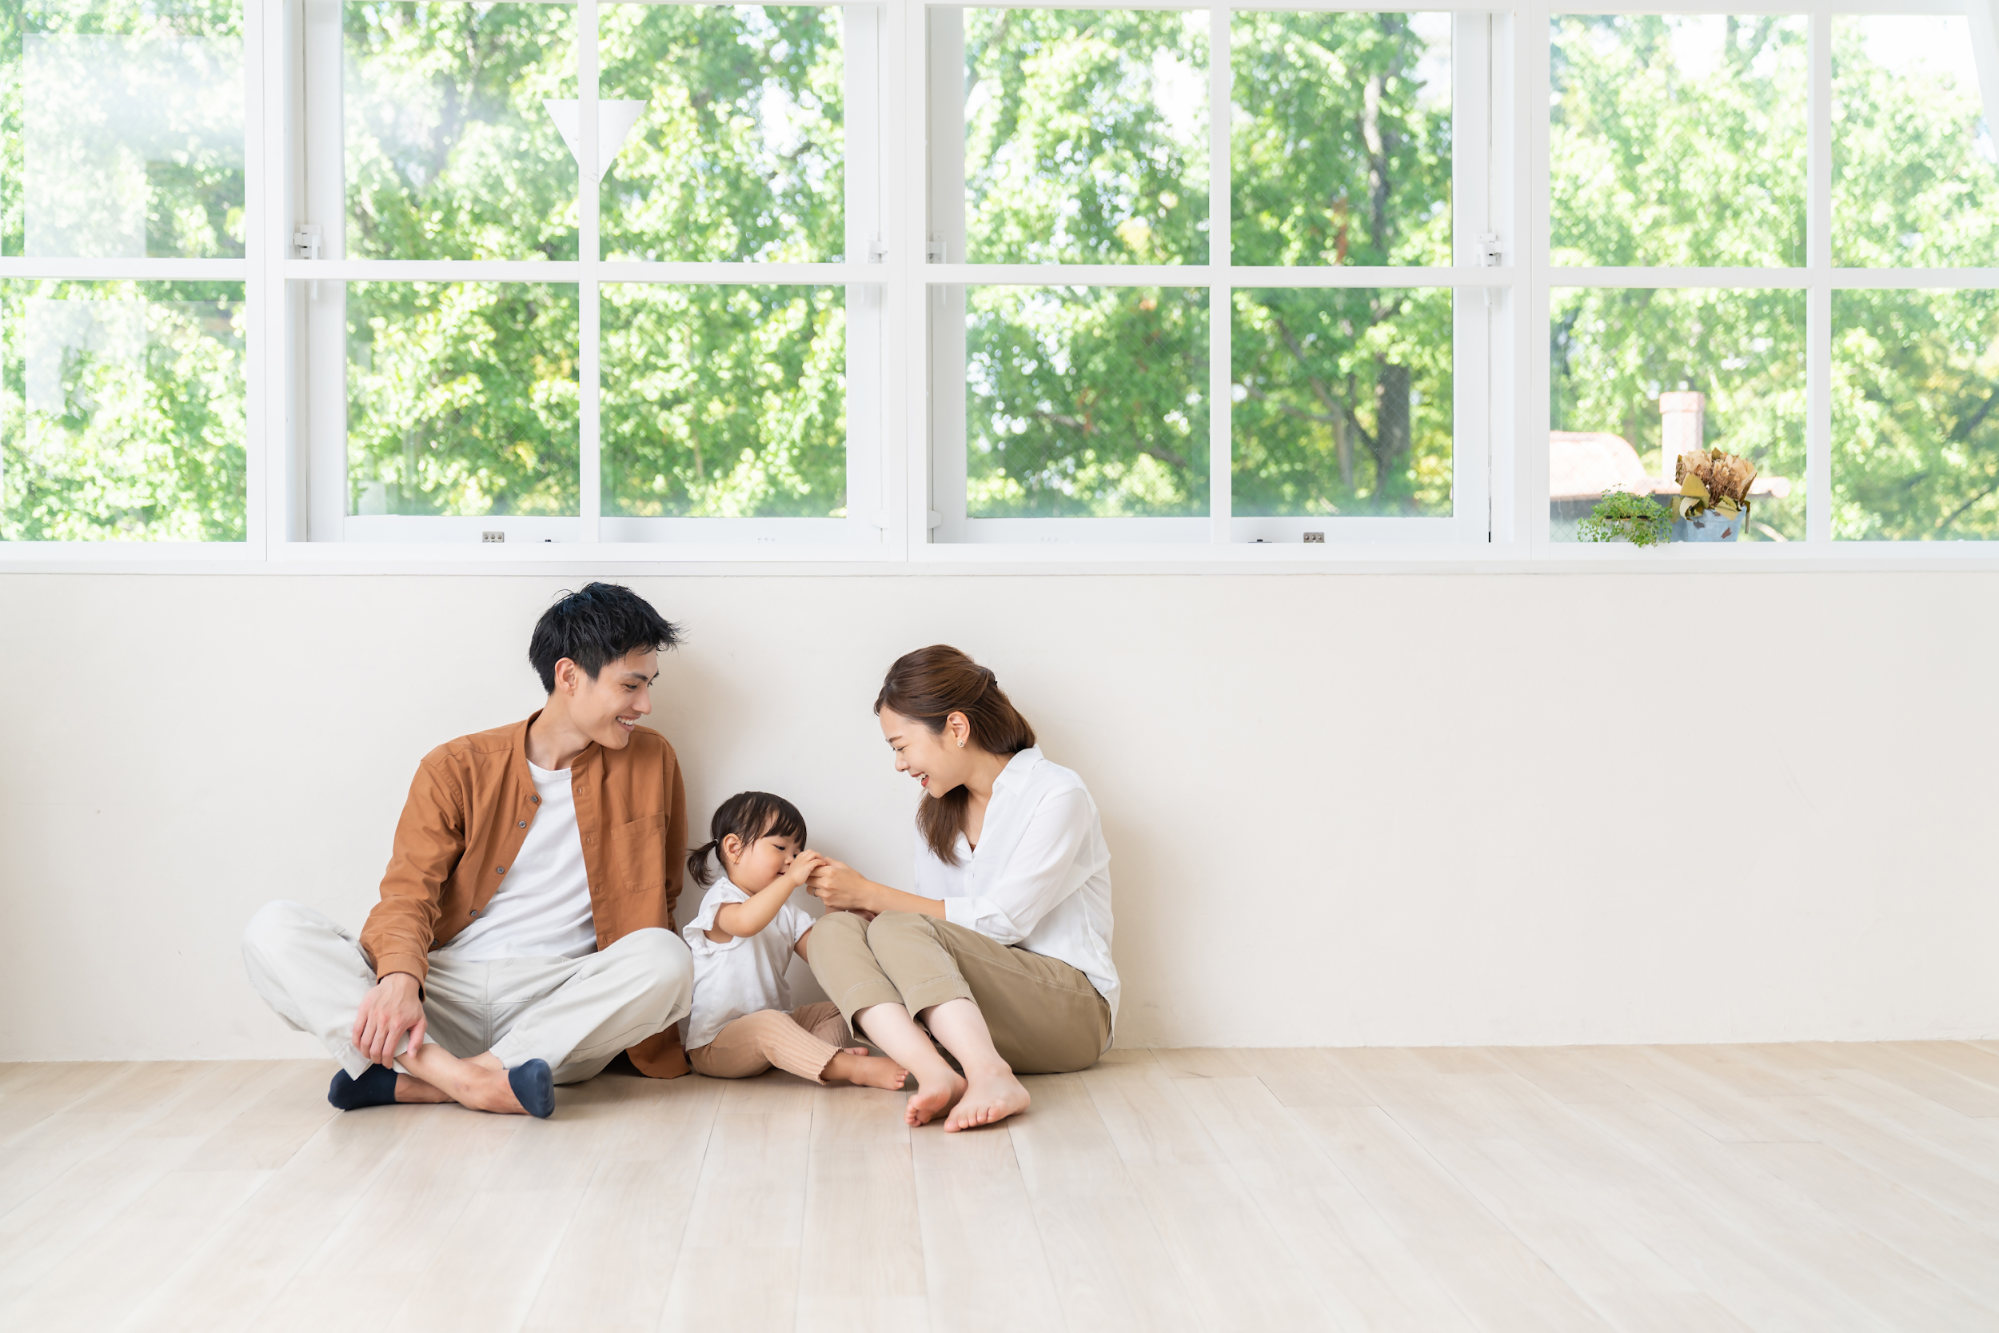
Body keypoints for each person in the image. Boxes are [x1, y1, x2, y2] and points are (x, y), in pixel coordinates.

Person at [241, 583, 696, 1118]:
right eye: (631, 686)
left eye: (649, 686)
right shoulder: (456, 766)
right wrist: (401, 981)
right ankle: (473, 1079)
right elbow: (408, 893)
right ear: (569, 676)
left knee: (666, 957)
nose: (645, 704)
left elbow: (661, 894)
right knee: (273, 930)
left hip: (558, 1004)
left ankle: (421, 1079)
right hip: (442, 994)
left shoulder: (652, 760)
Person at [803, 645, 1118, 1132]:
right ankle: (937, 1075)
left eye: (901, 745)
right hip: (976, 1017)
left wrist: (871, 894)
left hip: (1070, 1014)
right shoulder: (937, 814)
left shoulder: (1057, 794)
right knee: (834, 931)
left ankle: (991, 1075)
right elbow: (932, 929)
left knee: (897, 924)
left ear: (956, 727)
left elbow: (1002, 922)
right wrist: (861, 911)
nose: (899, 764)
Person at [679, 791, 909, 1090]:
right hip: (717, 1044)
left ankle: (823, 1057)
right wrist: (790, 881)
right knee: (768, 1023)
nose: (792, 860)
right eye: (780, 847)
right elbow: (747, 923)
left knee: (844, 1008)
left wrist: (835, 907)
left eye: (797, 852)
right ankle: (850, 1067)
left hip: (777, 1026)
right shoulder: (721, 902)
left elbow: (824, 956)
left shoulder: (786, 912)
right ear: (734, 848)